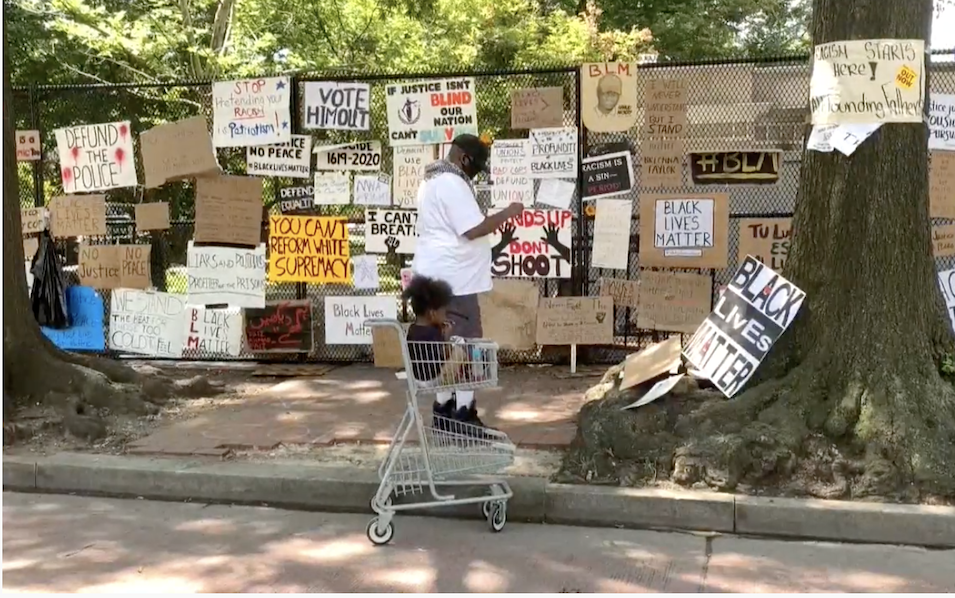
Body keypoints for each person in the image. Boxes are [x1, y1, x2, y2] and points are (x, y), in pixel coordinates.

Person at [411, 133, 524, 429]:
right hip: (455, 280)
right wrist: (508, 213)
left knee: (445, 346)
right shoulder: (452, 183)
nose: (475, 173)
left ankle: (443, 408)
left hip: (433, 276)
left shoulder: (430, 181)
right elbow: (472, 229)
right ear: (464, 158)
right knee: (468, 345)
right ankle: (463, 414)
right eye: (476, 166)